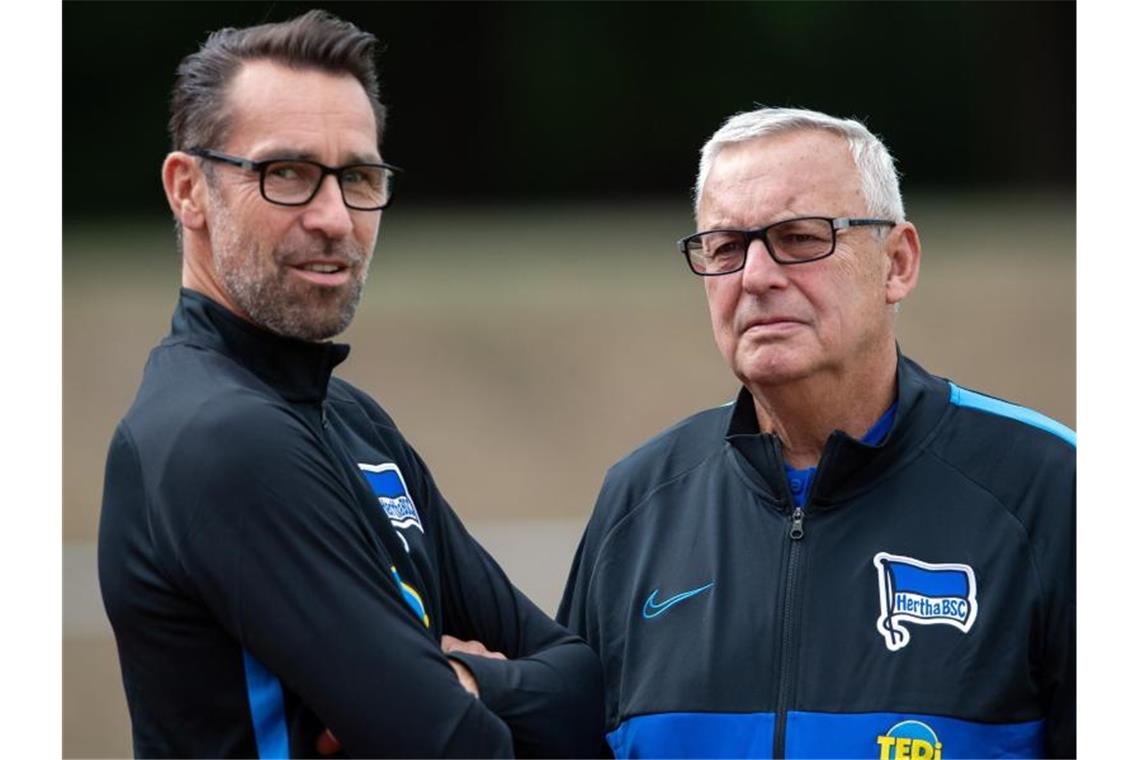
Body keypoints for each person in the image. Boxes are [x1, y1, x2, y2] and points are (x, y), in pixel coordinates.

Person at [98, 11, 602, 758]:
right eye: (288, 173)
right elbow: (458, 748)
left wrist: (463, 682)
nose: (335, 219)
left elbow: (587, 687)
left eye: (359, 177)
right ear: (188, 191)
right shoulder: (217, 439)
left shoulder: (352, 421)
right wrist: (470, 698)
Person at [557, 107, 1074, 759]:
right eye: (725, 247)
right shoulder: (639, 503)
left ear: (897, 263)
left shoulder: (1051, 488)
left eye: (800, 238)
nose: (756, 276)